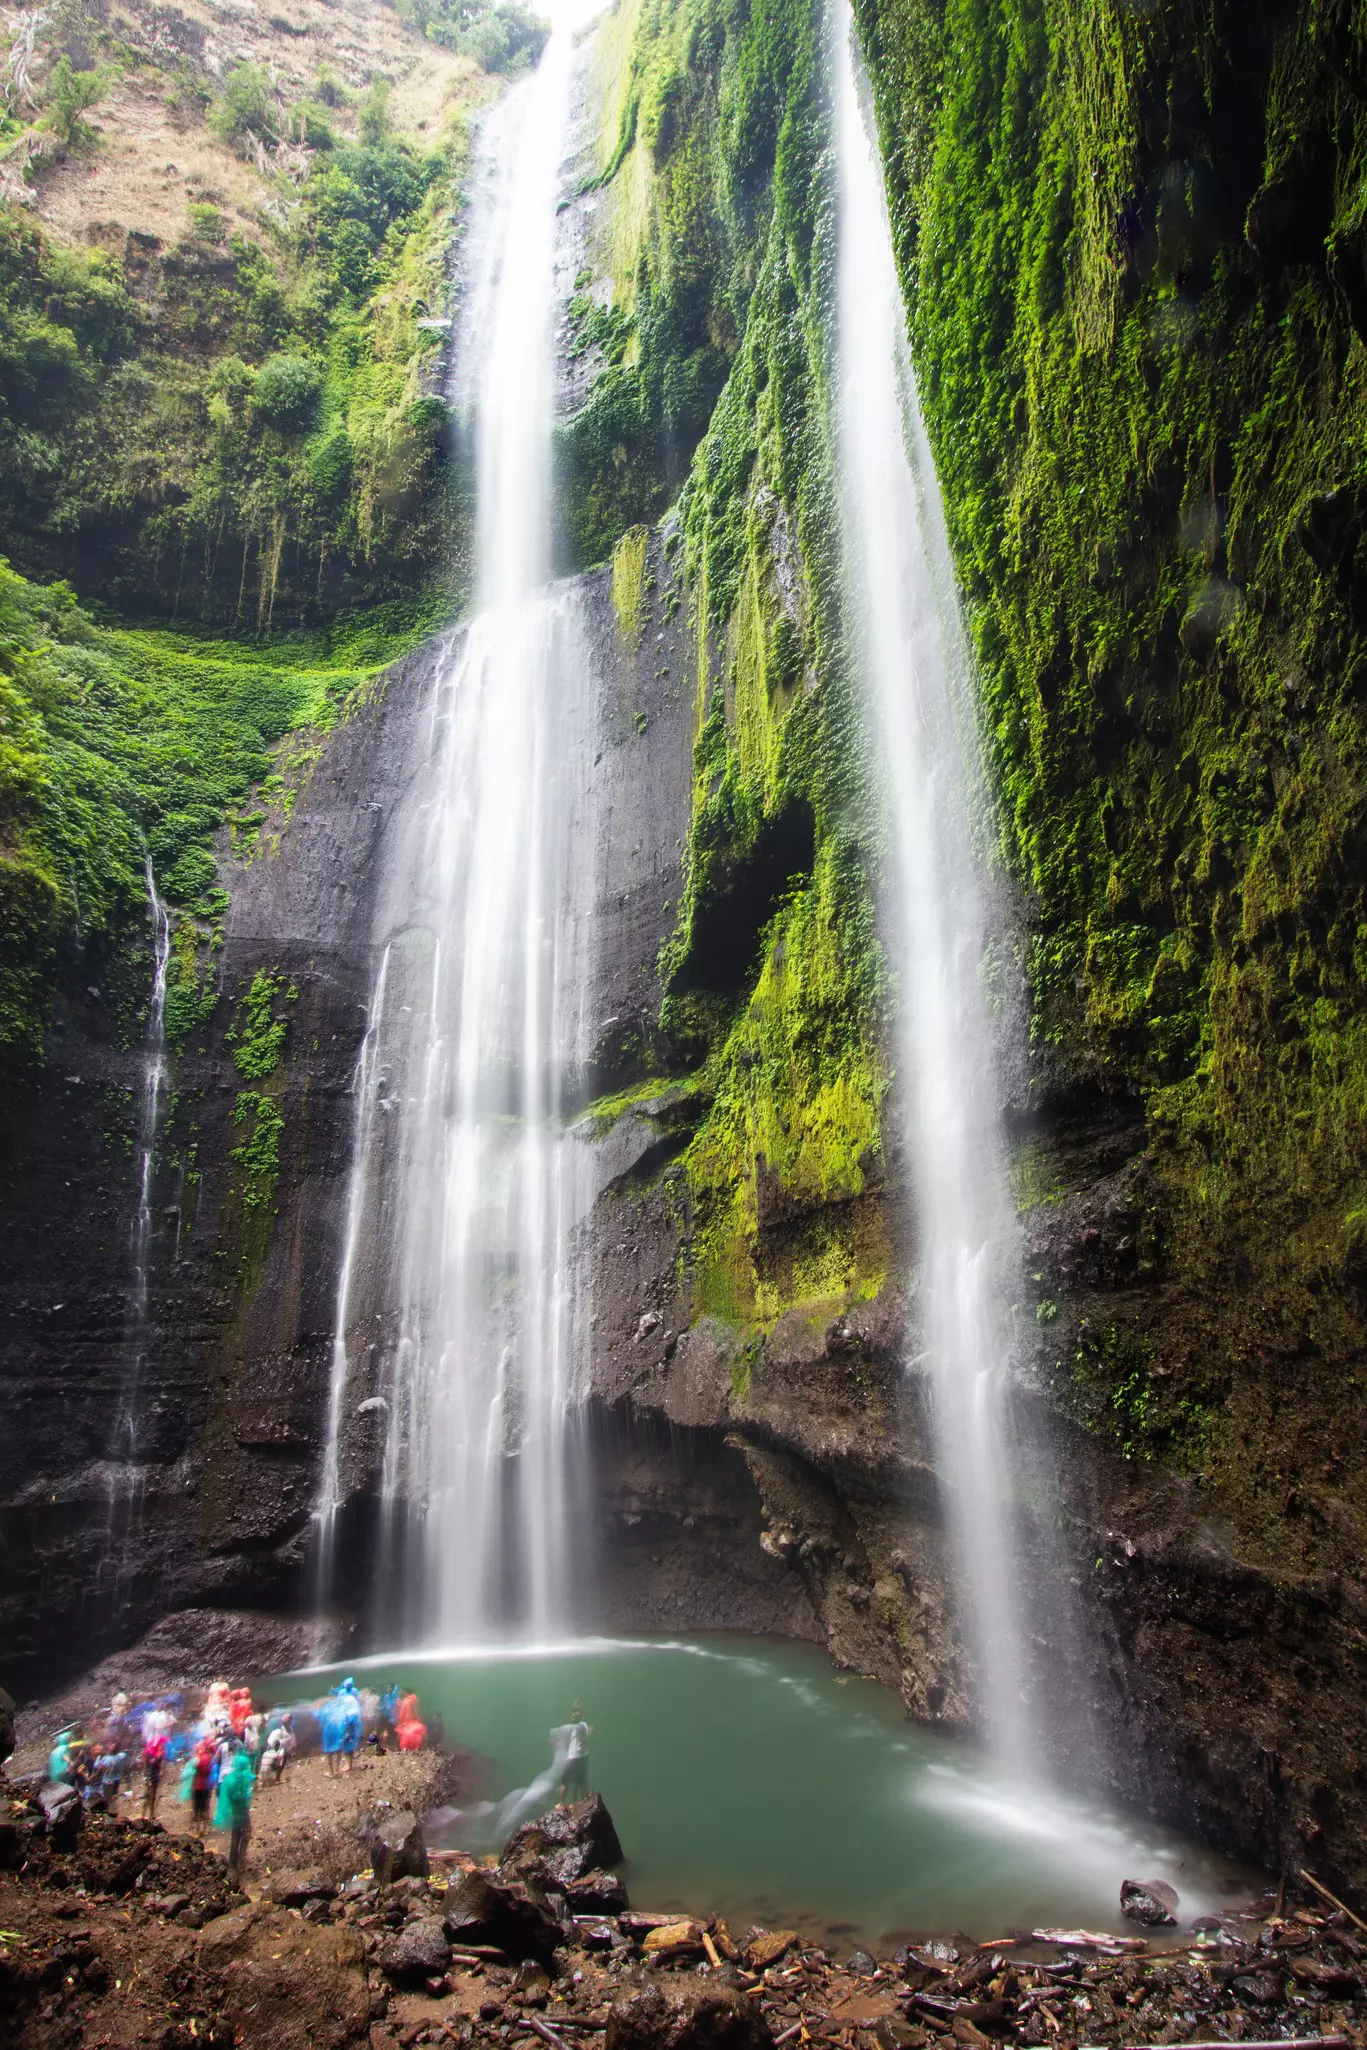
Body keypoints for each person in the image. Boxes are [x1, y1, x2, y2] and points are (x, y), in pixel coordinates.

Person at [214, 1739, 255, 1885]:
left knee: (236, 1835)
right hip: (242, 1812)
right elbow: (243, 1792)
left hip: (233, 1812)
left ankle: (234, 1862)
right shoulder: (240, 1778)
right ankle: (241, 1858)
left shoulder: (230, 1778)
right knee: (247, 1833)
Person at [557, 1702, 591, 1802]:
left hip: (575, 1758)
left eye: (576, 1713)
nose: (573, 1715)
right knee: (580, 1782)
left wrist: (575, 1707)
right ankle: (580, 1802)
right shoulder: (576, 1727)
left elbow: (582, 1731)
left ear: (580, 1715)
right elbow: (569, 1742)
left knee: (568, 1782)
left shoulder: (580, 1726)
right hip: (581, 1757)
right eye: (572, 1713)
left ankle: (562, 1804)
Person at [189, 1733, 216, 1835]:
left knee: (198, 1809)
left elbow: (195, 1770)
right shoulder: (210, 1759)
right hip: (206, 1786)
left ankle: (197, 1829)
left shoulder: (200, 1759)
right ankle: (204, 1830)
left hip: (197, 1786)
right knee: (205, 1807)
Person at [142, 1724, 168, 1820]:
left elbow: (161, 1764)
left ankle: (151, 1814)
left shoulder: (160, 1754)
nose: (162, 1747)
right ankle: (144, 1814)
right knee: (149, 1794)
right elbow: (149, 1763)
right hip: (150, 1775)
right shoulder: (150, 1753)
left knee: (153, 1795)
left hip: (155, 1776)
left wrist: (161, 1770)